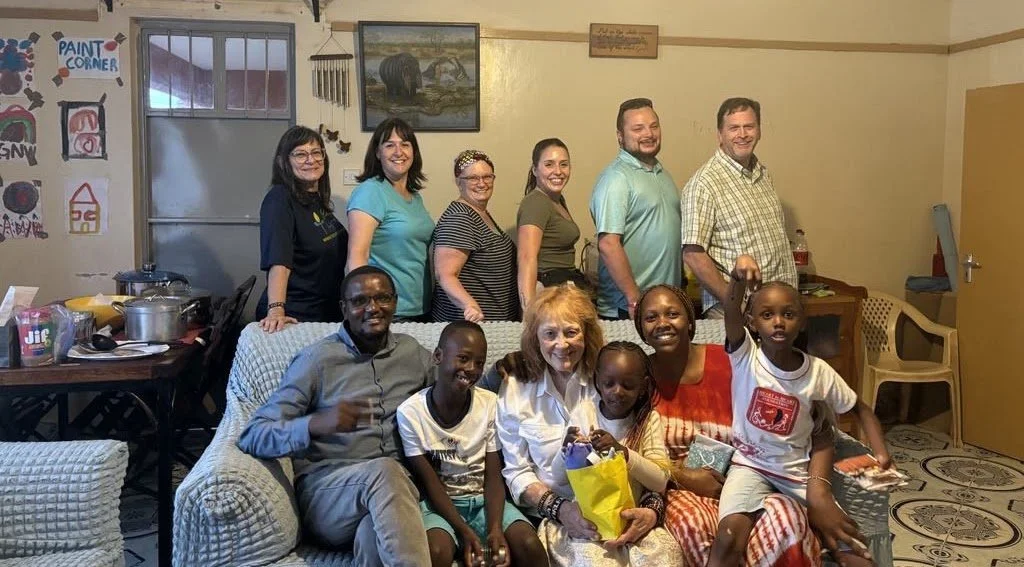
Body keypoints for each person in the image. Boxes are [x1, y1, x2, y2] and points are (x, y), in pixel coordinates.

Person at [634, 284, 874, 566]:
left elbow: (818, 427)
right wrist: (684, 478)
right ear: (640, 328)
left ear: (689, 321)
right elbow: (631, 450)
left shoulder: (735, 362)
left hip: (758, 473)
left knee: (787, 524)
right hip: (680, 489)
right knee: (700, 529)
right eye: (651, 318)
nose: (663, 323)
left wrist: (818, 491)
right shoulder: (635, 378)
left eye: (672, 313)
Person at [237, 266, 432, 566]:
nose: (373, 308)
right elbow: (254, 435)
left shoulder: (412, 352)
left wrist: (499, 377)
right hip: (328, 494)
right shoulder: (317, 360)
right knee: (384, 471)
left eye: (382, 298)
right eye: (360, 301)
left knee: (373, 538)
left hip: (394, 497)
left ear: (395, 301)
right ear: (344, 307)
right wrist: (316, 423)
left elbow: (454, 394)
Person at [708, 256, 889, 566]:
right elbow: (731, 310)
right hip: (749, 467)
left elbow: (861, 410)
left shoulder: (818, 373)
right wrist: (737, 278)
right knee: (727, 537)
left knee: (850, 545)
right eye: (767, 315)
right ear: (753, 323)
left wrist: (881, 453)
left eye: (788, 314)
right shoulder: (744, 357)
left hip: (796, 473)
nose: (778, 322)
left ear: (802, 321)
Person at [491, 285, 673, 566]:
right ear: (535, 338)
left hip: (621, 508)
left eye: (571, 332)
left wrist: (651, 510)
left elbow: (647, 456)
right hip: (559, 516)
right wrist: (561, 510)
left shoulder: (610, 379)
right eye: (550, 334)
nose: (562, 345)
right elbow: (517, 472)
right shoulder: (516, 388)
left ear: (587, 335)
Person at [397, 321, 547, 567]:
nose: (471, 369)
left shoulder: (489, 404)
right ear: (438, 356)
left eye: (479, 362)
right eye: (463, 358)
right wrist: (465, 532)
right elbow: (430, 483)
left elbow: (493, 475)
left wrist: (495, 529)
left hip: (485, 502)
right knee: (435, 552)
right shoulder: (410, 414)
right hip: (440, 505)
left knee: (529, 546)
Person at [560, 341, 684, 565]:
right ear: (597, 380)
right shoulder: (584, 412)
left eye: (628, 385)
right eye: (609, 383)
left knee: (666, 557)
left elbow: (659, 482)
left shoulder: (647, 419)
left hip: (634, 518)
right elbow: (564, 478)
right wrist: (568, 451)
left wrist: (624, 453)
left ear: (643, 386)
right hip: (591, 519)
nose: (617, 391)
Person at [680, 97, 797, 318]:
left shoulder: (762, 174)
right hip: (735, 313)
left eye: (749, 126)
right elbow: (693, 255)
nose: (742, 134)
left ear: (759, 130)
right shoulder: (704, 184)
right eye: (734, 128)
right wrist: (736, 305)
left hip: (777, 311)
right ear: (720, 135)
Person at [589, 98, 681, 320]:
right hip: (628, 310)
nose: (648, 134)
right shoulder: (616, 178)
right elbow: (608, 244)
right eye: (638, 128)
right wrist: (634, 299)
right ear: (620, 136)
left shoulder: (662, 173)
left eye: (654, 126)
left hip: (663, 304)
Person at [256, 125, 348, 332]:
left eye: (316, 152)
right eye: (300, 154)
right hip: (296, 315)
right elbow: (279, 259)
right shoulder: (279, 199)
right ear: (283, 162)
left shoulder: (314, 200)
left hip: (323, 311)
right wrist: (276, 310)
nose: (311, 159)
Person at [347, 117, 435, 321]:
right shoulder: (370, 192)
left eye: (405, 144)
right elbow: (357, 256)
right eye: (389, 145)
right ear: (378, 153)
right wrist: (367, 307)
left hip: (420, 307)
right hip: (387, 311)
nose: (399, 152)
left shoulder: (415, 197)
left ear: (414, 152)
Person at [432, 150, 518, 322]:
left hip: (494, 325)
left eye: (487, 177)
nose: (481, 183)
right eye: (472, 178)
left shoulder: (479, 212)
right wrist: (470, 306)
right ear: (458, 182)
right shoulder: (460, 217)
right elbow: (445, 274)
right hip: (471, 327)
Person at [516, 138, 583, 310]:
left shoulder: (556, 200)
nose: (558, 171)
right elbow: (526, 258)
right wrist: (529, 311)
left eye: (564, 164)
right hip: (547, 291)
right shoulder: (536, 203)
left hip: (563, 286)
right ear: (535, 170)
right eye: (549, 164)